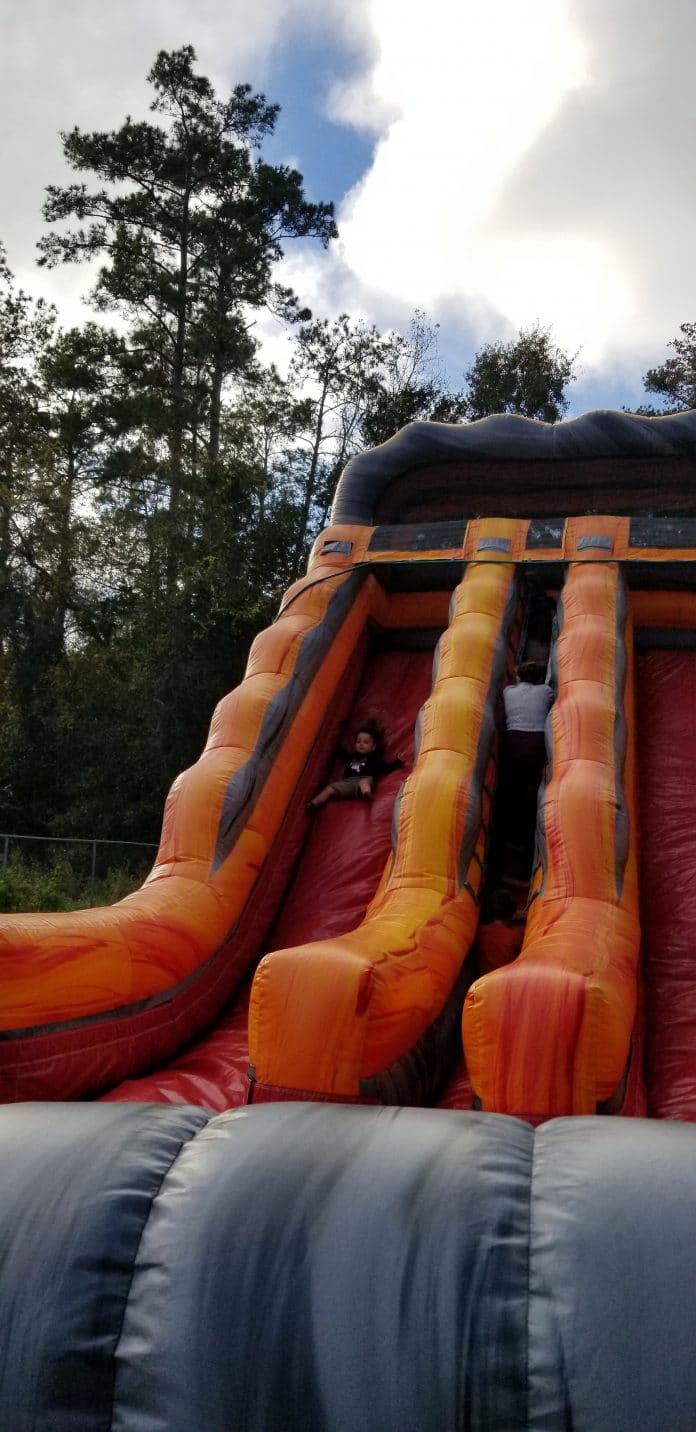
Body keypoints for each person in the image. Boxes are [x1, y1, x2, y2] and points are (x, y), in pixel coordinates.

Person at [500, 660, 554, 867]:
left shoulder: (508, 692)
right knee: (533, 791)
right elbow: (550, 700)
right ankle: (528, 839)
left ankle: (510, 834)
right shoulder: (545, 691)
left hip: (513, 742)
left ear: (518, 678)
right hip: (536, 743)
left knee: (512, 789)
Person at [308, 719, 404, 812]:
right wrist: (333, 741)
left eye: (365, 742)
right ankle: (314, 804)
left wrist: (397, 762)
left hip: (363, 779)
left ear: (373, 747)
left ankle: (366, 794)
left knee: (364, 782)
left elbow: (386, 767)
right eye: (358, 742)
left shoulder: (374, 759)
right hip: (347, 782)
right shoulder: (352, 756)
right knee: (329, 788)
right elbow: (341, 754)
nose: (361, 744)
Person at [476, 889, 524, 975]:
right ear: (512, 913)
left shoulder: (480, 930)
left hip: (483, 975)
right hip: (506, 977)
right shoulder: (513, 936)